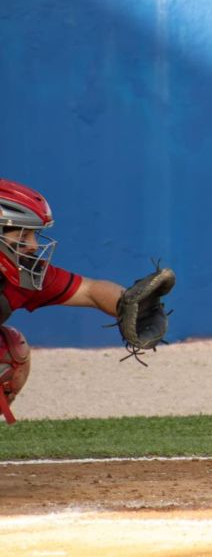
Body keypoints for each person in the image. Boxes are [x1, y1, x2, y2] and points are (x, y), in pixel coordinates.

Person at [0, 178, 136, 422]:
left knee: (11, 350)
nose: (33, 246)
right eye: (23, 235)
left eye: (33, 235)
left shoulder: (21, 274)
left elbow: (91, 291)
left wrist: (133, 307)